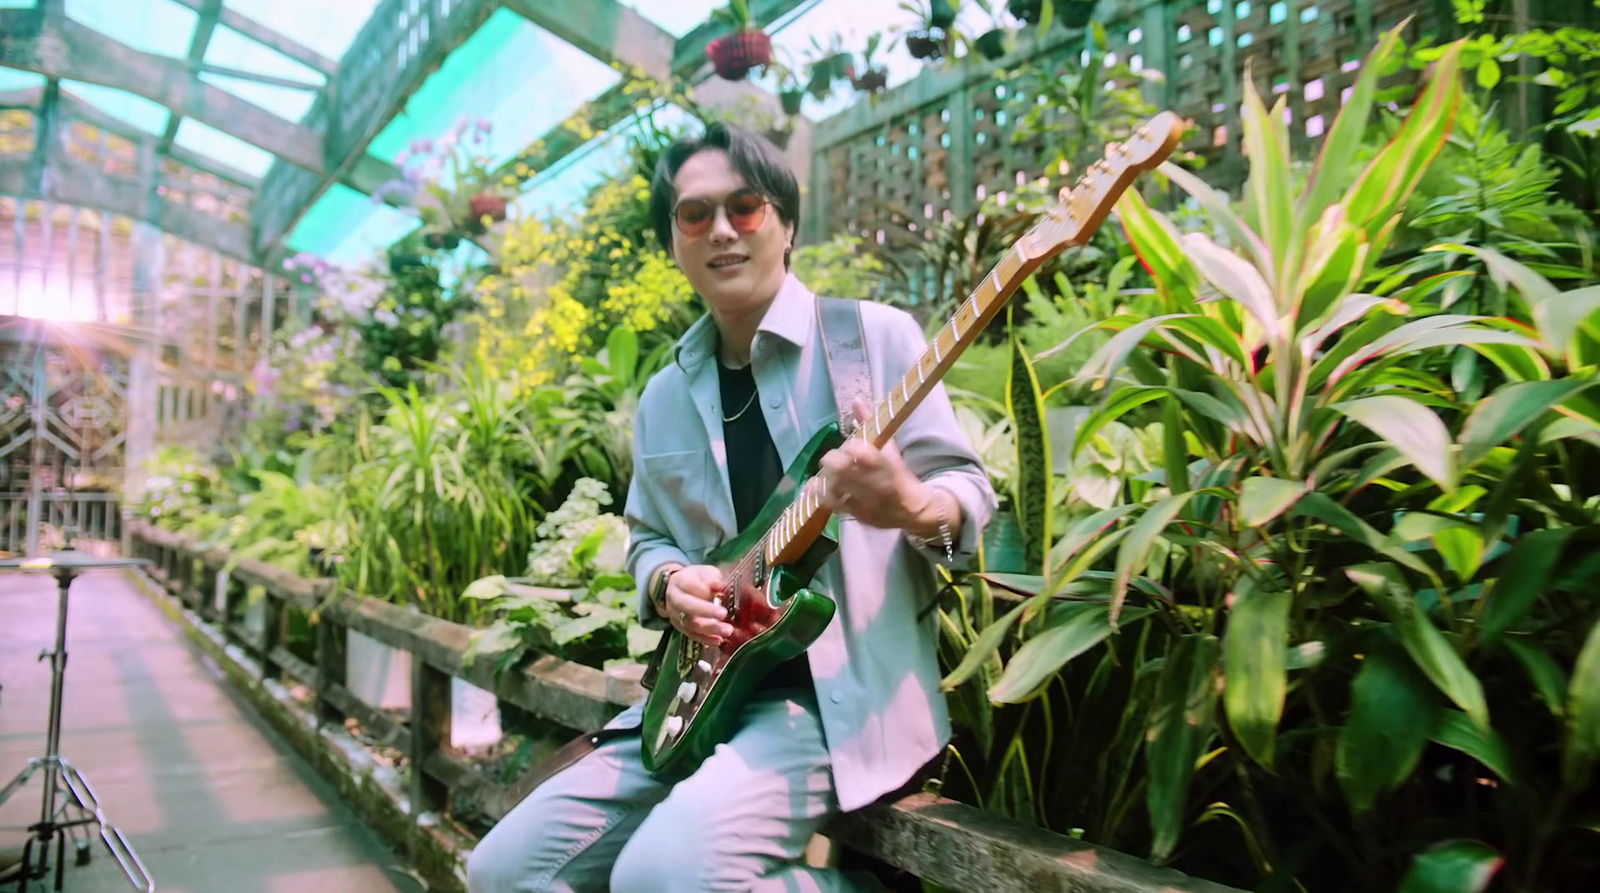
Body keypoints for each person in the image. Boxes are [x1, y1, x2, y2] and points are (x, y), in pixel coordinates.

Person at [466, 122, 996, 893]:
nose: (720, 229)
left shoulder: (871, 340)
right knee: (504, 871)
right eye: (694, 214)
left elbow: (972, 522)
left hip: (832, 703)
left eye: (744, 207)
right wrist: (667, 582)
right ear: (675, 243)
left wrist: (910, 504)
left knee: (660, 877)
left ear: (784, 223)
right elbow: (648, 537)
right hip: (693, 694)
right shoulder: (665, 395)